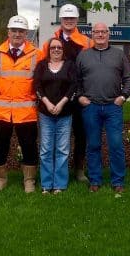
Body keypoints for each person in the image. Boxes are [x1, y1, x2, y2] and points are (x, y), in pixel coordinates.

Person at [0, 15, 43, 194]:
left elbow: (42, 79)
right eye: (14, 31)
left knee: (29, 146)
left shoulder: (37, 54)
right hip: (2, 112)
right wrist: (0, 89)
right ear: (8, 32)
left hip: (26, 112)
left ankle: (29, 181)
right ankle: (0, 181)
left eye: (21, 31)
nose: (17, 34)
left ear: (26, 33)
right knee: (0, 146)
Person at [76, 22, 130, 193]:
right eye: (96, 32)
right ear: (92, 34)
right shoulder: (83, 55)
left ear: (109, 34)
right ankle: (95, 180)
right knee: (93, 144)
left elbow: (129, 78)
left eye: (103, 32)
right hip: (91, 107)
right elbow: (76, 80)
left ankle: (118, 182)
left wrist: (123, 96)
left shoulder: (119, 55)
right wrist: (80, 97)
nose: (100, 35)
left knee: (116, 144)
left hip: (112, 107)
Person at [42, 3, 93, 182]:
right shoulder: (50, 42)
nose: (69, 21)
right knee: (55, 135)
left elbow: (91, 69)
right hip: (56, 96)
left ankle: (79, 169)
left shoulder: (87, 42)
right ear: (61, 20)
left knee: (81, 133)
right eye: (66, 18)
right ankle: (55, 170)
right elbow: (43, 68)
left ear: (77, 20)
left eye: (72, 18)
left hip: (79, 95)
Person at [34, 37, 77, 194]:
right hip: (46, 113)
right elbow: (37, 86)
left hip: (65, 113)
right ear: (49, 50)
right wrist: (47, 103)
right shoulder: (41, 66)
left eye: (59, 47)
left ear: (63, 50)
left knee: (62, 149)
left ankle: (59, 184)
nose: (56, 50)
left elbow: (74, 86)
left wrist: (61, 104)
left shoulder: (70, 66)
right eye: (53, 47)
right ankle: (46, 184)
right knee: (45, 149)